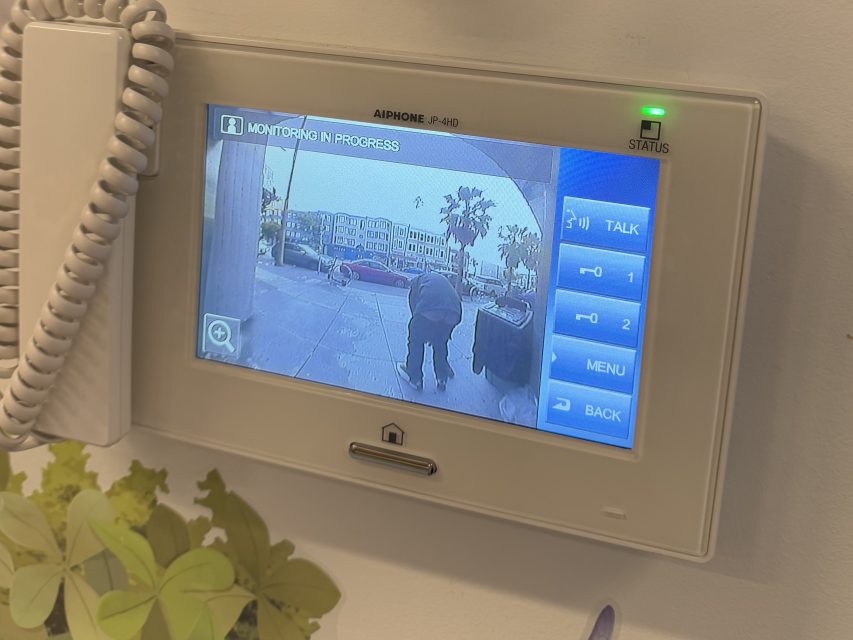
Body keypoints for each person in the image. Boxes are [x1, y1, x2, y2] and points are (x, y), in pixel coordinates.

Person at [397, 272, 462, 392]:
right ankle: (442, 378)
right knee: (441, 342)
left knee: (415, 340)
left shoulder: (415, 283)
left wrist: (422, 329)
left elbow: (414, 307)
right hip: (455, 312)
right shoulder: (438, 279)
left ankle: (414, 377)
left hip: (432, 308)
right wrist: (436, 333)